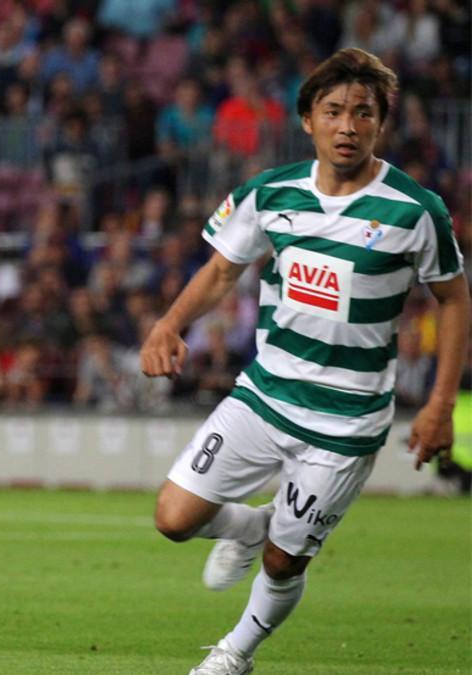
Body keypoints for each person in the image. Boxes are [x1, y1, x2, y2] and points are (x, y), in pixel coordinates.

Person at [140, 48, 468, 675]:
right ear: (308, 120)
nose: (348, 126)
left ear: (381, 125)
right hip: (263, 398)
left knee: (286, 562)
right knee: (173, 518)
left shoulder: (415, 210)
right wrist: (170, 323)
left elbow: (454, 300)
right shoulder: (270, 192)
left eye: (363, 114)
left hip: (345, 422)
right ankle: (250, 528)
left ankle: (235, 652)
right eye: (334, 111)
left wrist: (440, 405)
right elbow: (219, 271)